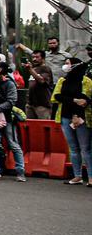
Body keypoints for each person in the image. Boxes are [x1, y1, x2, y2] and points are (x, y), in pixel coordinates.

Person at [51, 57, 92, 186]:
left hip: (81, 117)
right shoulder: (63, 80)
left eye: (68, 63)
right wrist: (74, 100)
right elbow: (56, 97)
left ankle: (90, 177)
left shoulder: (86, 81)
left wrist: (72, 102)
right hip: (65, 117)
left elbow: (85, 99)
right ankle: (77, 176)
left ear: (75, 65)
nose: (65, 66)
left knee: (86, 148)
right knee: (73, 148)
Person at [0, 61, 26, 182]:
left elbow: (11, 101)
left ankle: (20, 171)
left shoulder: (8, 83)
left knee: (13, 144)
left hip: (7, 117)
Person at [24, 50, 54, 120]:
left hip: (42, 104)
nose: (34, 59)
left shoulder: (45, 68)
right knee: (31, 127)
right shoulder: (34, 69)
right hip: (30, 104)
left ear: (43, 58)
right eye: (33, 57)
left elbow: (42, 81)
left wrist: (30, 70)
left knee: (43, 127)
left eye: (37, 57)